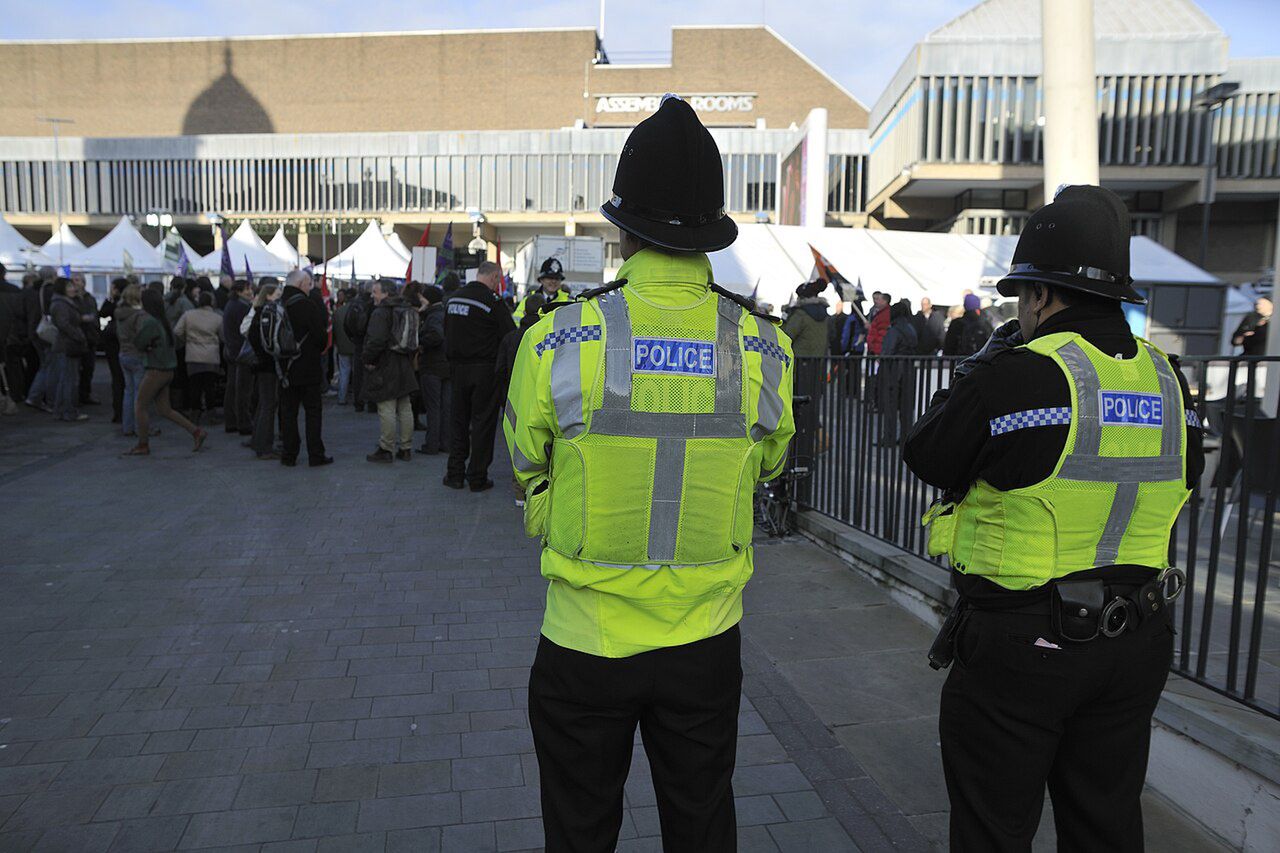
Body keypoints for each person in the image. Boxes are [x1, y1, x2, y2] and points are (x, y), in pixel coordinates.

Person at [505, 94, 795, 853]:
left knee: (579, 831)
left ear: (622, 228)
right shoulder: (765, 346)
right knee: (701, 826)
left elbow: (525, 457)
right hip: (705, 636)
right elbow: (769, 458)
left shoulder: (556, 338)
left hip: (583, 636)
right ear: (709, 228)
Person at [903, 186, 1205, 852]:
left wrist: (981, 368)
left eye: (1022, 297)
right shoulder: (1169, 381)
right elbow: (1191, 476)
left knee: (993, 828)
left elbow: (926, 453)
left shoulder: (1017, 376)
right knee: (1106, 822)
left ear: (1041, 295)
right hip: (1137, 641)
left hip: (1024, 645)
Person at [443, 260, 515, 491]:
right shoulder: (492, 302)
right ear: (494, 277)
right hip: (484, 371)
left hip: (457, 370)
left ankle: (454, 473)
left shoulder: (454, 299)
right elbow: (509, 335)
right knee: (483, 424)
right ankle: (477, 476)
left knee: (458, 422)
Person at [123, 288, 207, 455]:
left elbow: (138, 343)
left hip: (155, 370)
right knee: (165, 410)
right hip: (167, 370)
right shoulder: (163, 321)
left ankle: (143, 444)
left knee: (140, 406)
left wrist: (144, 344)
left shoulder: (150, 322)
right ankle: (196, 431)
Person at [278, 269, 332, 468]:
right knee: (312, 411)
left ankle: (288, 454)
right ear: (301, 284)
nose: (311, 288)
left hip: (283, 367)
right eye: (309, 284)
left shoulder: (278, 304)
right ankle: (315, 454)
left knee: (288, 412)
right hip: (307, 366)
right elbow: (320, 336)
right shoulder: (306, 305)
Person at [360, 281, 420, 462]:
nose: (373, 296)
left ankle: (386, 448)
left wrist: (367, 359)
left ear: (385, 294)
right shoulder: (406, 308)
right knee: (404, 406)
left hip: (386, 362)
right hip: (404, 362)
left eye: (375, 292)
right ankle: (406, 447)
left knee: (386, 406)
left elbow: (376, 340)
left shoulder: (381, 312)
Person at [174, 291, 223, 424]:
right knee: (210, 386)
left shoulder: (188, 315)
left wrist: (188, 340)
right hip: (211, 356)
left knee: (194, 386)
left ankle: (195, 412)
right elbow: (223, 336)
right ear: (211, 302)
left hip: (193, 355)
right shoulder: (217, 318)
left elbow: (177, 331)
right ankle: (211, 413)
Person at [246, 282, 282, 460]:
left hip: (261, 363)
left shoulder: (257, 313)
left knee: (264, 404)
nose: (279, 297)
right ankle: (264, 446)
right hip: (268, 364)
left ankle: (258, 441)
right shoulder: (269, 314)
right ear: (268, 295)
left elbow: (251, 335)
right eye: (276, 294)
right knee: (268, 404)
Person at [877, 299, 919, 446]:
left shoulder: (894, 330)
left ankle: (888, 437)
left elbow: (887, 352)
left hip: (894, 371)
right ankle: (905, 437)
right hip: (909, 370)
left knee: (890, 405)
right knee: (906, 407)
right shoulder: (910, 328)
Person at [47, 277, 88, 423]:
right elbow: (64, 325)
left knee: (66, 380)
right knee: (69, 380)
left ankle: (60, 410)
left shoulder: (64, 302)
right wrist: (79, 336)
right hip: (68, 345)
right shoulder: (60, 304)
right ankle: (68, 411)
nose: (74, 288)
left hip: (67, 344)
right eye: (70, 285)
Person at [416, 284, 451, 455]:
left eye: (423, 297)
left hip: (433, 366)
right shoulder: (444, 312)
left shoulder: (434, 316)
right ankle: (444, 442)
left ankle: (432, 444)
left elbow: (436, 336)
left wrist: (421, 340)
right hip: (445, 365)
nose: (420, 300)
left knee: (434, 407)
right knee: (445, 406)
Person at [114, 283, 148, 438]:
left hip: (123, 353)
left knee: (128, 392)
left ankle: (127, 426)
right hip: (137, 354)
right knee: (139, 394)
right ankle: (138, 427)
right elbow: (142, 336)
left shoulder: (119, 313)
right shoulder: (139, 315)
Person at [221, 280, 253, 435]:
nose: (250, 292)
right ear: (239, 291)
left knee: (233, 387)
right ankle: (242, 423)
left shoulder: (231, 305)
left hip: (232, 350)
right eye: (247, 289)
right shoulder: (241, 307)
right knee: (241, 389)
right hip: (240, 352)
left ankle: (232, 421)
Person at [99, 278, 127, 423]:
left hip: (113, 345)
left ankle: (119, 411)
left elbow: (102, 313)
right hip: (125, 346)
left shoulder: (112, 303)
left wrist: (110, 298)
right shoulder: (129, 304)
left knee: (117, 379)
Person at [513, 257, 571, 323]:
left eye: (557, 278)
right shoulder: (528, 299)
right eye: (550, 278)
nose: (554, 281)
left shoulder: (568, 301)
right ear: (541, 280)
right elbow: (517, 322)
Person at [72, 275, 101, 407]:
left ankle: (85, 394)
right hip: (77, 338)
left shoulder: (90, 298)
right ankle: (76, 396)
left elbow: (95, 316)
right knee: (75, 369)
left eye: (77, 280)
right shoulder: (71, 299)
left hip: (90, 337)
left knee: (88, 368)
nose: (75, 283)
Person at [781, 280, 831, 357]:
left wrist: (785, 318)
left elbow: (786, 335)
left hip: (799, 361)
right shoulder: (825, 315)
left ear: (802, 297)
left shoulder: (800, 314)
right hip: (819, 361)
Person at [344, 285, 373, 412]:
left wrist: (353, 337)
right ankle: (372, 403)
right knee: (373, 373)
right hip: (371, 341)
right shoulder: (375, 304)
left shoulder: (355, 304)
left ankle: (358, 402)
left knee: (358, 373)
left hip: (359, 342)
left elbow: (347, 323)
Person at [332, 289, 355, 404]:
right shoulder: (358, 311)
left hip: (342, 346)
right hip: (355, 346)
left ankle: (342, 397)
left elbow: (334, 330)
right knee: (356, 372)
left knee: (344, 372)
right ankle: (357, 397)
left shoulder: (338, 311)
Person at [866, 290, 891, 355]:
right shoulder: (877, 313)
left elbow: (882, 331)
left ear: (884, 301)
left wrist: (876, 349)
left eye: (878, 299)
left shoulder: (885, 315)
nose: (876, 301)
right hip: (875, 347)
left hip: (878, 348)